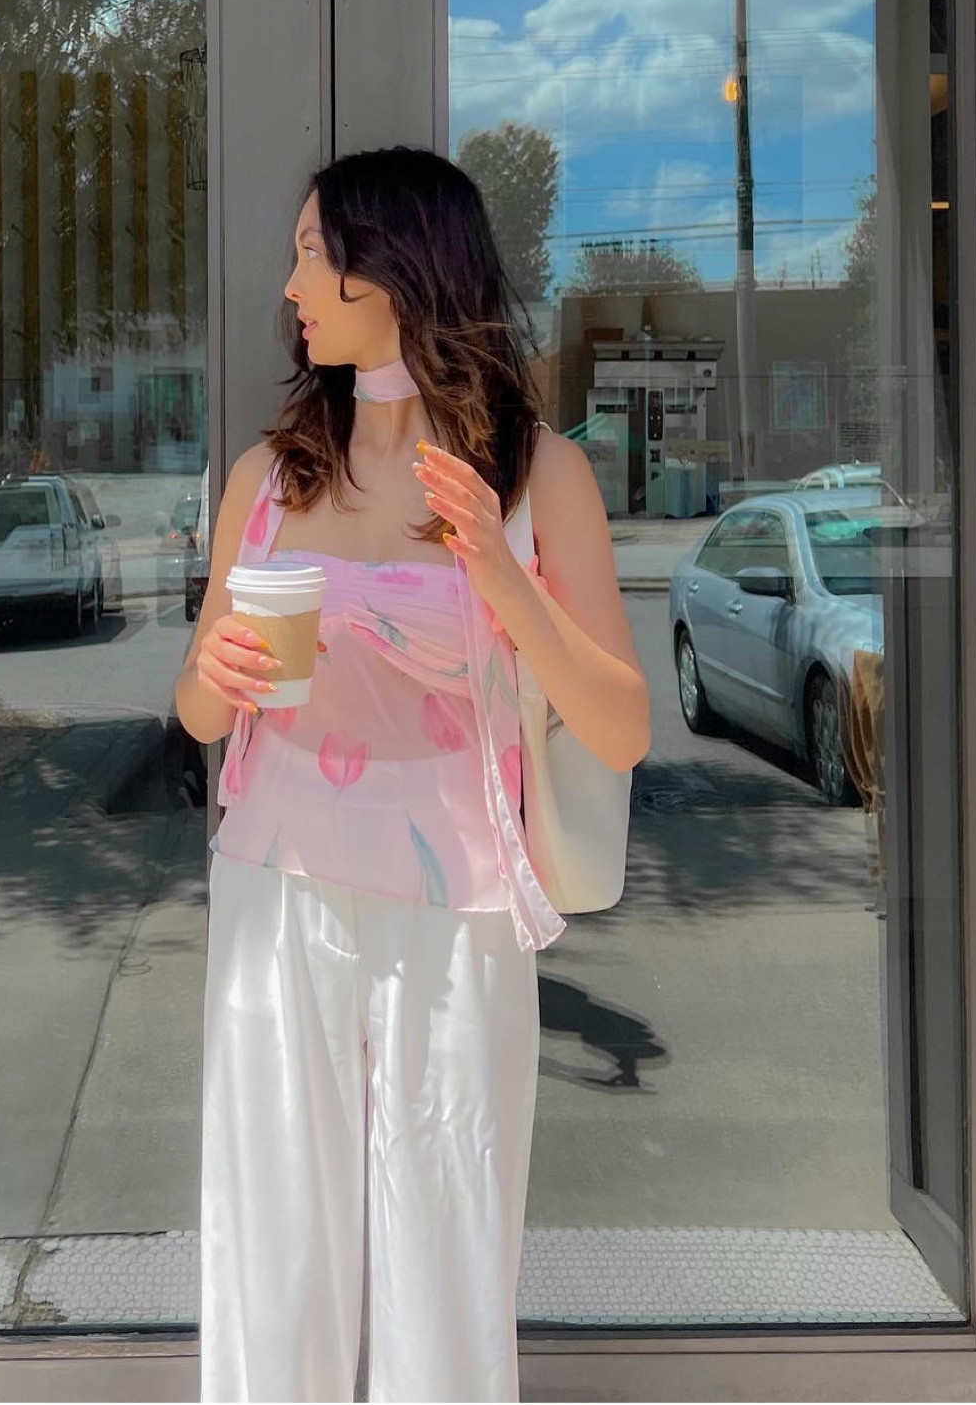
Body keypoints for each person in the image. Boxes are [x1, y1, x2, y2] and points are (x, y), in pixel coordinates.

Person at [175, 147, 651, 1403]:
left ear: (394, 269)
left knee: (445, 1246)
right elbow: (196, 713)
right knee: (271, 1250)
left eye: (311, 254)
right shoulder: (269, 477)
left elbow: (620, 727)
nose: (290, 287)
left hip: (458, 905)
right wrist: (214, 672)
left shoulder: (536, 475)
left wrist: (502, 577)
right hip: (276, 889)